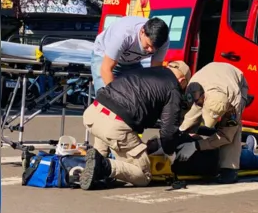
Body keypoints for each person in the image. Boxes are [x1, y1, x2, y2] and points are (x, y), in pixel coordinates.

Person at [79, 61, 191, 190]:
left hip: (93, 113)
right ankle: (105, 166)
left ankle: (97, 164)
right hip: (115, 125)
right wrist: (169, 151)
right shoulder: (173, 88)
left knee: (102, 148)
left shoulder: (147, 70)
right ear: (182, 81)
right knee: (143, 175)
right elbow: (168, 130)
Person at [176, 62, 250, 184]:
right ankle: (179, 136)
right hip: (209, 80)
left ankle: (230, 168)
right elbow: (191, 114)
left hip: (237, 81)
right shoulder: (196, 88)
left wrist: (196, 146)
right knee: (189, 119)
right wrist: (176, 136)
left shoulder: (234, 103)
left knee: (233, 131)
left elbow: (226, 136)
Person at [91, 16, 170, 93]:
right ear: (142, 32)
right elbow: (106, 69)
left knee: (140, 92)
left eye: (155, 47)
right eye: (148, 45)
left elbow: (155, 72)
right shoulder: (124, 34)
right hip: (104, 55)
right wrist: (115, 97)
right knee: (105, 96)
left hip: (132, 62)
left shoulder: (163, 41)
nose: (151, 50)